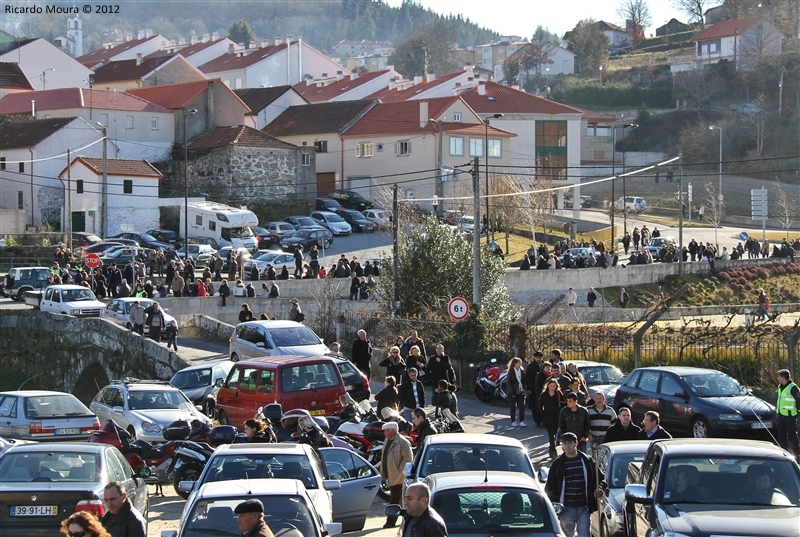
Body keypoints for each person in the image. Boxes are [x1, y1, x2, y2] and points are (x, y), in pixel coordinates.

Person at [544, 432, 598, 537]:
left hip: (584, 509)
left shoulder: (587, 461)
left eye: (570, 443)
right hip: (566, 510)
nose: (567, 446)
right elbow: (551, 488)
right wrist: (556, 509)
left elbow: (598, 478)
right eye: (564, 443)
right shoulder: (557, 465)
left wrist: (598, 490)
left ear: (576, 444)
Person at [380, 422, 413, 529]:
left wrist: (399, 471)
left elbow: (408, 458)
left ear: (392, 431)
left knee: (394, 500)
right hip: (389, 475)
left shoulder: (403, 443)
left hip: (398, 477)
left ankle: (390, 521)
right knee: (398, 500)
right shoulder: (387, 441)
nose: (384, 433)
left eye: (385, 430)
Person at [776, 369, 800, 462]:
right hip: (781, 414)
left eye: (779, 377)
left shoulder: (793, 388)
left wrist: (797, 411)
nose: (778, 378)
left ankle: (797, 456)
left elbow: (798, 399)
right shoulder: (780, 387)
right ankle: (784, 454)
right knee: (781, 435)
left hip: (790, 416)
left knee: (792, 436)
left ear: (783, 378)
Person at [539, 378, 565, 459]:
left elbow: (563, 403)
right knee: (551, 435)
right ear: (548, 386)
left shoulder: (558, 393)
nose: (552, 387)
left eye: (554, 386)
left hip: (556, 417)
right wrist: (543, 414)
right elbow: (540, 406)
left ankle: (551, 448)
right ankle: (553, 451)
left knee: (555, 434)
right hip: (548, 417)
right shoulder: (544, 394)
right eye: (551, 386)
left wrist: (561, 413)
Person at [506, 357, 527, 427]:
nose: (520, 364)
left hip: (520, 392)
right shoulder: (511, 371)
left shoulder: (521, 371)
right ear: (514, 363)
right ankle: (513, 420)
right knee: (513, 407)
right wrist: (512, 393)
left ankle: (521, 420)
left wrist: (524, 389)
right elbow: (509, 383)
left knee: (521, 406)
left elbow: (524, 381)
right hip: (513, 392)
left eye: (520, 363)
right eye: (519, 363)